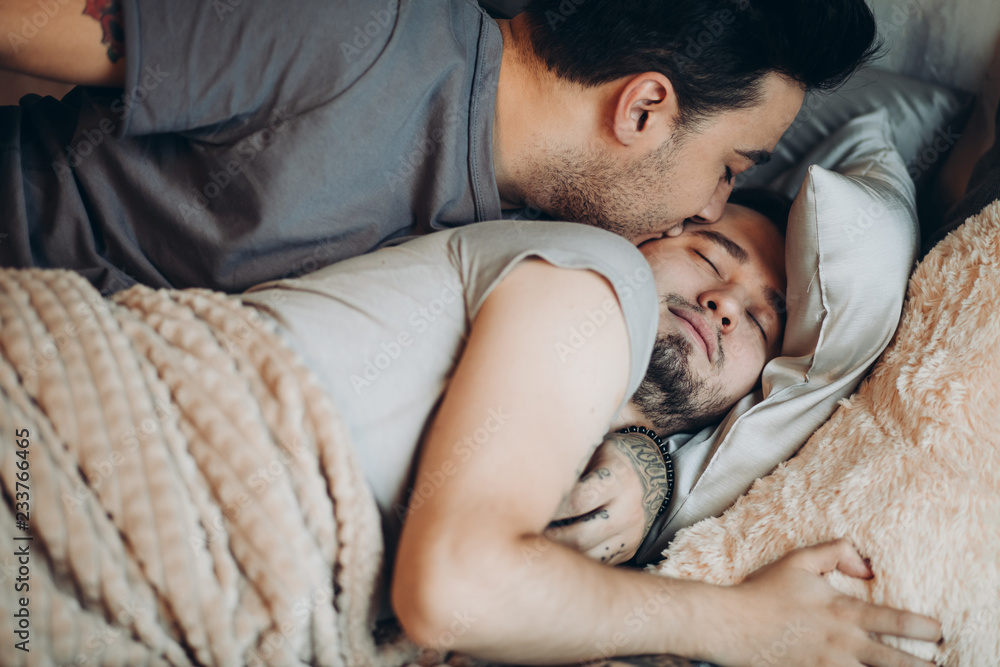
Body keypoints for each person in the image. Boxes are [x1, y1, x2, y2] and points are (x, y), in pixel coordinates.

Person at [239, 194, 941, 666]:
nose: (725, 302)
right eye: (708, 256)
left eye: (763, 319)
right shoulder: (593, 274)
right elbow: (456, 587)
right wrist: (742, 623)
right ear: (650, 233)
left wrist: (652, 468)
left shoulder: (644, 493)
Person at [0, 0, 878, 293]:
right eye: (729, 167)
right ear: (644, 110)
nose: (711, 209)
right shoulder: (355, 29)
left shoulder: (542, 226)